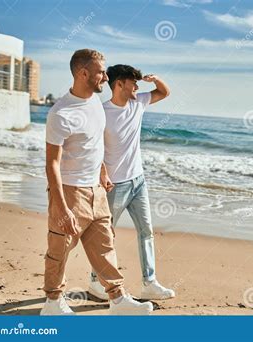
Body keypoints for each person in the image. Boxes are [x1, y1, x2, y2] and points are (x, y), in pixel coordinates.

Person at [41, 50, 153, 315]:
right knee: (60, 248)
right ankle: (53, 302)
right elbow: (52, 164)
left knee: (105, 246)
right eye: (101, 72)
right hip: (70, 191)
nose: (106, 76)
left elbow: (94, 144)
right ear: (83, 74)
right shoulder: (61, 114)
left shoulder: (95, 103)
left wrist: (102, 171)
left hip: (97, 189)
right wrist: (62, 206)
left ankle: (117, 299)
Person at [88, 64, 175, 301]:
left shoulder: (138, 102)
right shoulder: (101, 112)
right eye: (133, 82)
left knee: (146, 231)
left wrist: (156, 78)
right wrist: (102, 173)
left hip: (139, 182)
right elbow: (94, 148)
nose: (137, 86)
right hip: (115, 185)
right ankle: (96, 281)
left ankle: (150, 282)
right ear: (119, 84)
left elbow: (164, 93)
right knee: (106, 234)